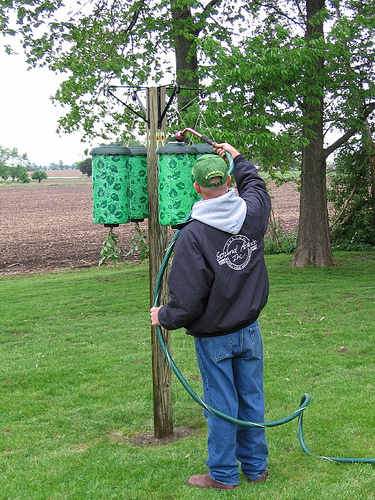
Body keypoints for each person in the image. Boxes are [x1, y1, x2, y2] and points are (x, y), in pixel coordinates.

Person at [150, 143, 271, 490]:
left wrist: (165, 316)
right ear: (229, 180)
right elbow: (256, 185)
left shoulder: (192, 234)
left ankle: (222, 475)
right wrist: (237, 156)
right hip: (249, 331)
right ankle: (256, 467)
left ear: (197, 187)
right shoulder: (253, 213)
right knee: (250, 399)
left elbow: (186, 300)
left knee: (220, 405)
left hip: (215, 336)